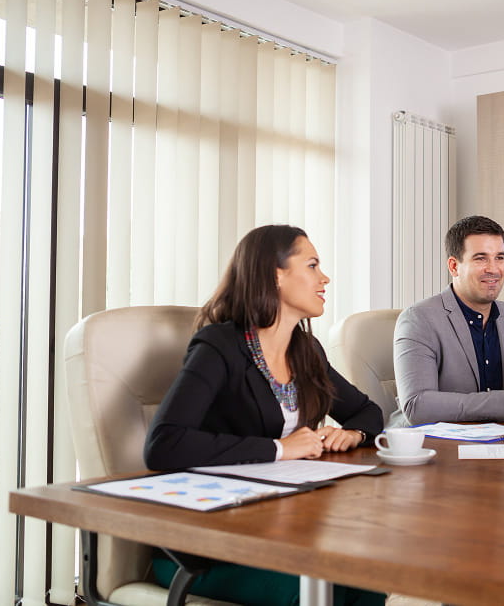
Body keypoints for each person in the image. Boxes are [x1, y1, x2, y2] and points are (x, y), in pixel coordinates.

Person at [145, 225, 385, 606]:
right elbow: (164, 444)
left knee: (366, 578)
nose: (325, 278)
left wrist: (353, 433)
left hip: (280, 529)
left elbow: (368, 411)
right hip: (203, 548)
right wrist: (279, 449)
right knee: (314, 592)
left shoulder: (306, 350)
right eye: (312, 265)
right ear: (276, 276)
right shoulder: (219, 347)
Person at [392, 215, 504, 426]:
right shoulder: (418, 320)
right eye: (481, 258)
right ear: (454, 266)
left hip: (502, 440)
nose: (494, 269)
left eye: (500, 257)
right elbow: (417, 405)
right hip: (431, 446)